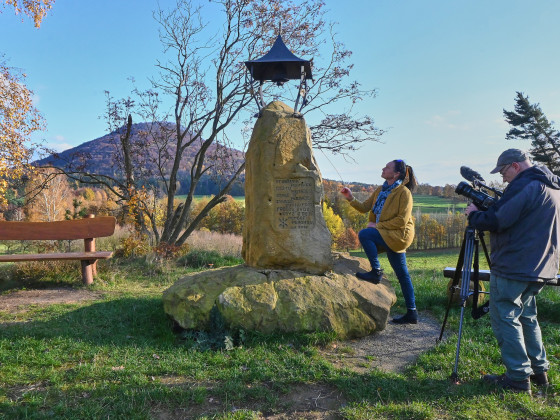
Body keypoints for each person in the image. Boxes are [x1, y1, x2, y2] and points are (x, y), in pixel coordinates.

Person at [465, 148, 560, 394]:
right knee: (527, 316)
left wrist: (475, 216)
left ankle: (518, 377)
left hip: (515, 265)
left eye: (504, 171)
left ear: (515, 166)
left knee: (505, 316)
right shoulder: (551, 185)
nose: (503, 177)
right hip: (541, 265)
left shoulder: (525, 185)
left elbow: (497, 220)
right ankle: (540, 371)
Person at [340, 159, 418, 324]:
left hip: (398, 235)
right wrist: (350, 197)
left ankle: (376, 272)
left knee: (365, 234)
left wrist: (377, 225)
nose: (383, 168)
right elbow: (364, 207)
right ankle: (412, 313)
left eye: (387, 167)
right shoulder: (380, 190)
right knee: (403, 274)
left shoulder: (403, 193)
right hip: (386, 233)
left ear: (396, 173)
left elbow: (402, 221)